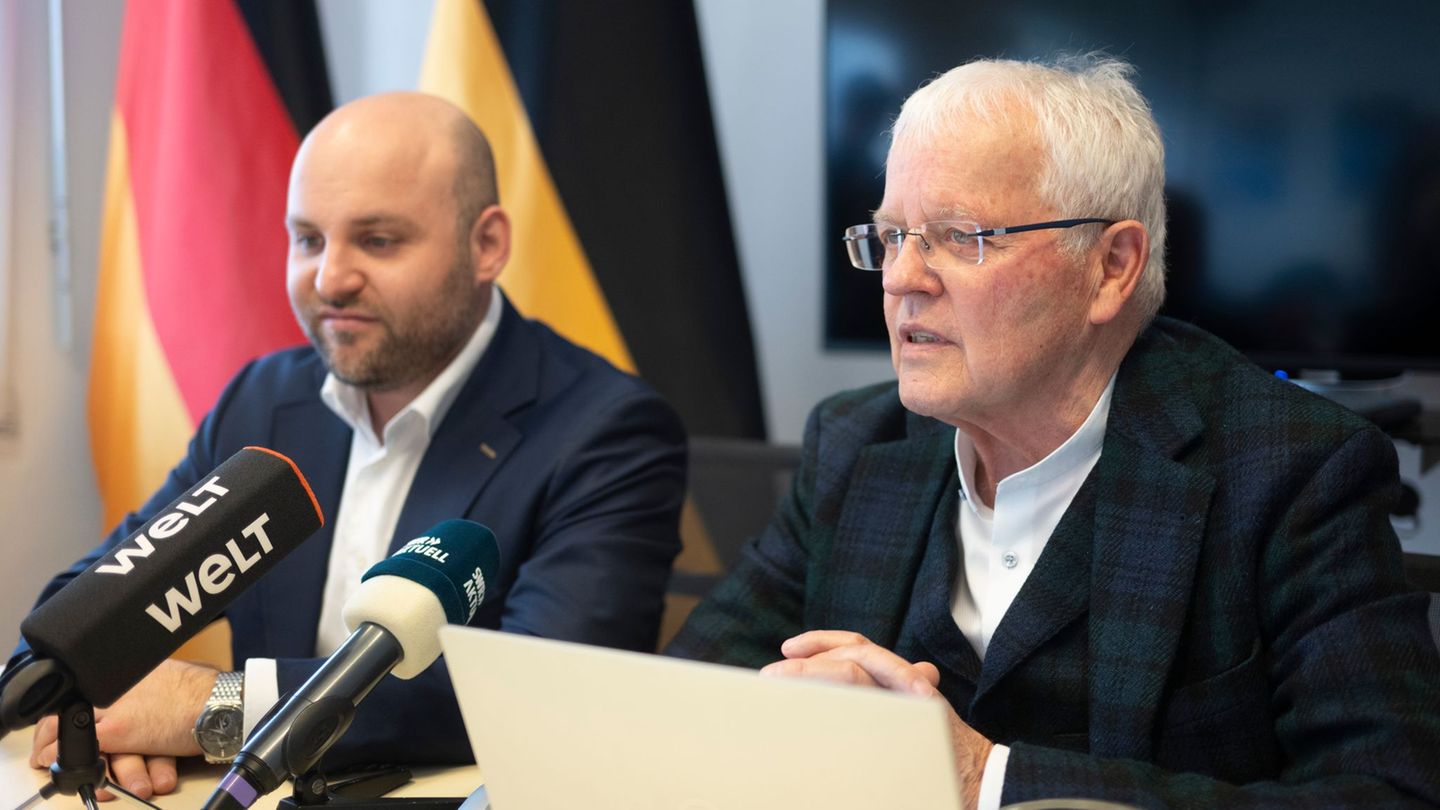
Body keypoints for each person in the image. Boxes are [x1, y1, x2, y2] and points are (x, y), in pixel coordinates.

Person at [668, 56, 1440, 809]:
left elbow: (1387, 790)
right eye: (892, 235)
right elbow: (681, 700)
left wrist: (983, 779)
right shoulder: (853, 442)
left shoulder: (1295, 470)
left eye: (960, 236)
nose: (901, 278)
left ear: (1111, 266)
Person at [19, 92, 686, 799]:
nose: (330, 279)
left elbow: (539, 693)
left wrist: (214, 710)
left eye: (379, 240)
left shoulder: (606, 430)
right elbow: (83, 616)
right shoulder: (264, 401)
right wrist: (99, 715)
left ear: (486, 245)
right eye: (308, 240)